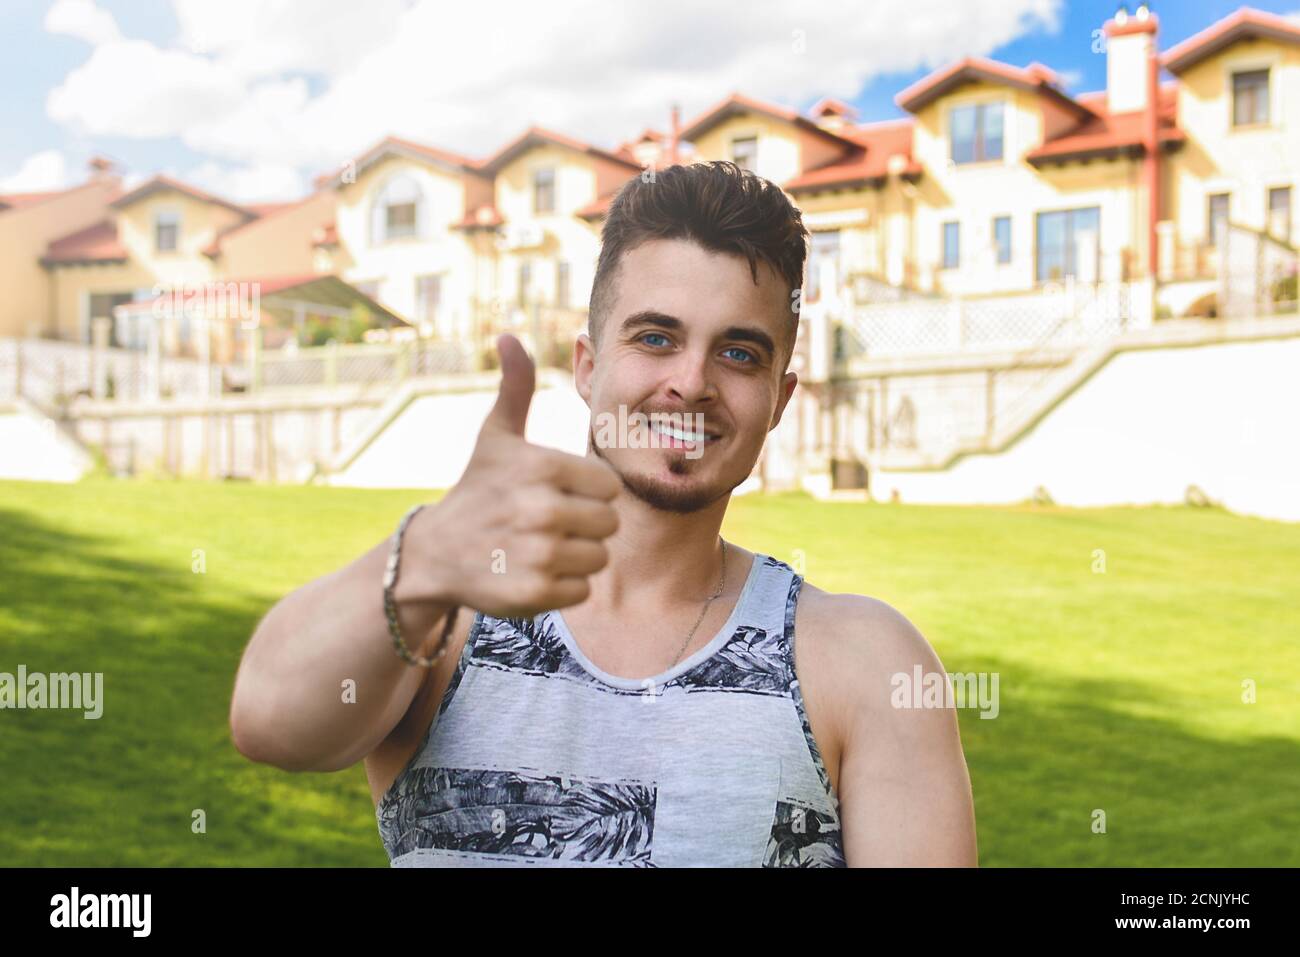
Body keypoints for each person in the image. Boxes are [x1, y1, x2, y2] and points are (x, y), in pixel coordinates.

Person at [230, 160, 977, 867]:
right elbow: (269, 722)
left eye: (740, 354)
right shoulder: (444, 617)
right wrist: (423, 555)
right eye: (656, 338)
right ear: (587, 367)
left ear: (779, 401)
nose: (691, 382)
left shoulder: (867, 662)